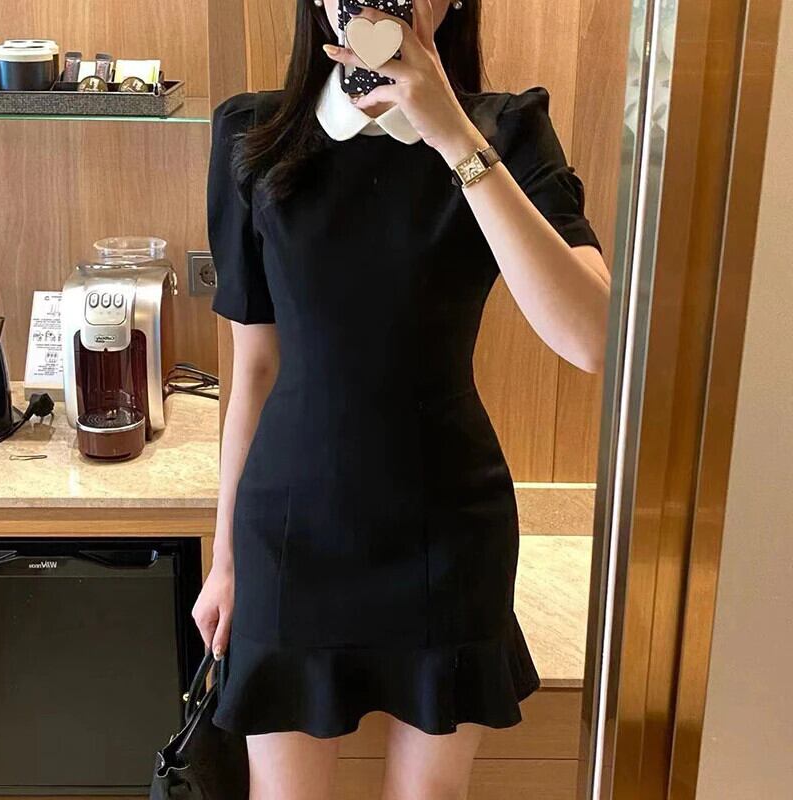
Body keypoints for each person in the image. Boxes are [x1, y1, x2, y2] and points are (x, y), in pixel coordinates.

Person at [193, 0, 611, 798]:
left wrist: (453, 134)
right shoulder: (252, 134)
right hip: (289, 533)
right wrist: (227, 562)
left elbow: (593, 338)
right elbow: (255, 370)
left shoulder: (507, 129)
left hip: (445, 530)